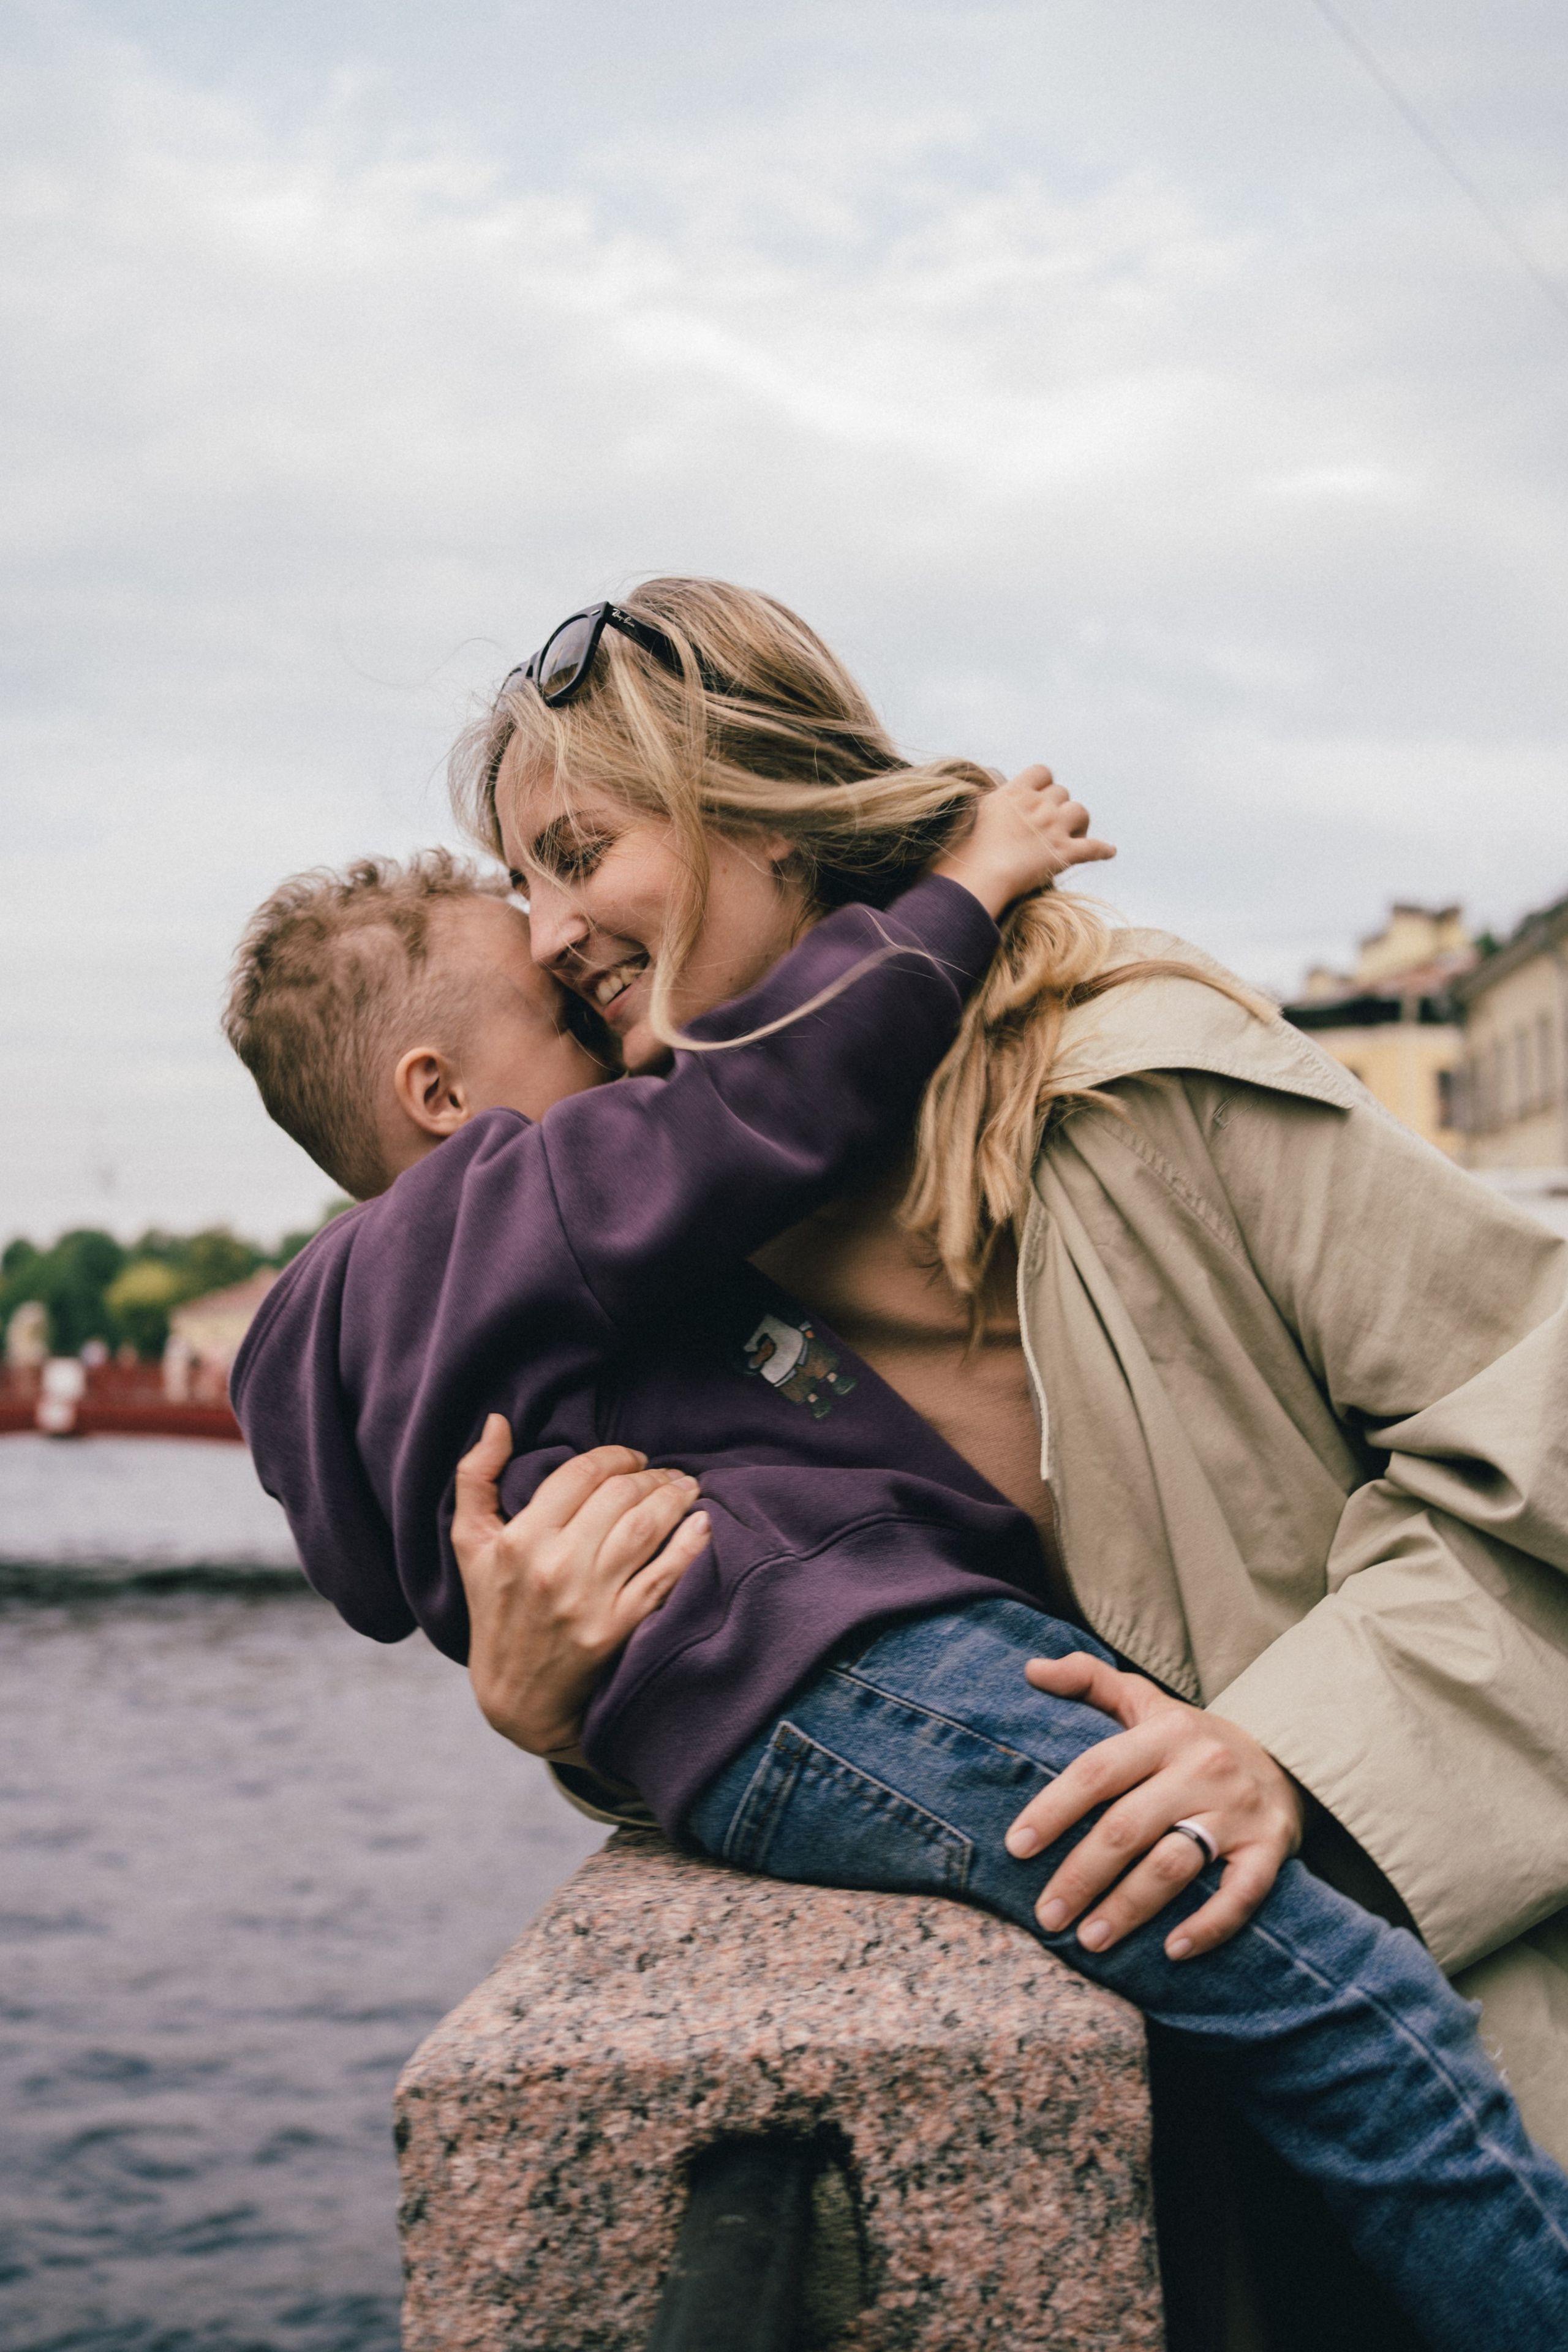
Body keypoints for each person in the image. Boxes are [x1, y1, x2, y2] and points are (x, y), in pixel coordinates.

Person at [224, 704, 1566, 2352]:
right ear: (435, 1093)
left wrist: (1284, 1745)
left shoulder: (1129, 1078)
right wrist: (543, 1698)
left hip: (1473, 1997)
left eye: (577, 858)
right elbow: (787, 1642)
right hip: (1208, 2168)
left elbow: (1533, 1437)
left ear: (759, 825)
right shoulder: (630, 1222)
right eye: (522, 885)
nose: (556, 935)